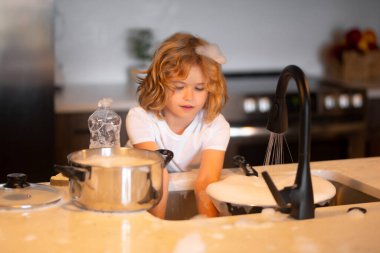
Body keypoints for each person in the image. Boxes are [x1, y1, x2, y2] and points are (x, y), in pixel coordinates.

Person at [126, 32, 230, 218]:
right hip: (139, 196)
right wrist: (158, 232)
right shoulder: (140, 118)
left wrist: (209, 233)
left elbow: (206, 182)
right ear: (159, 83)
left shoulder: (216, 126)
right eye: (179, 87)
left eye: (199, 88)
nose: (189, 97)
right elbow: (158, 175)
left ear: (211, 89)